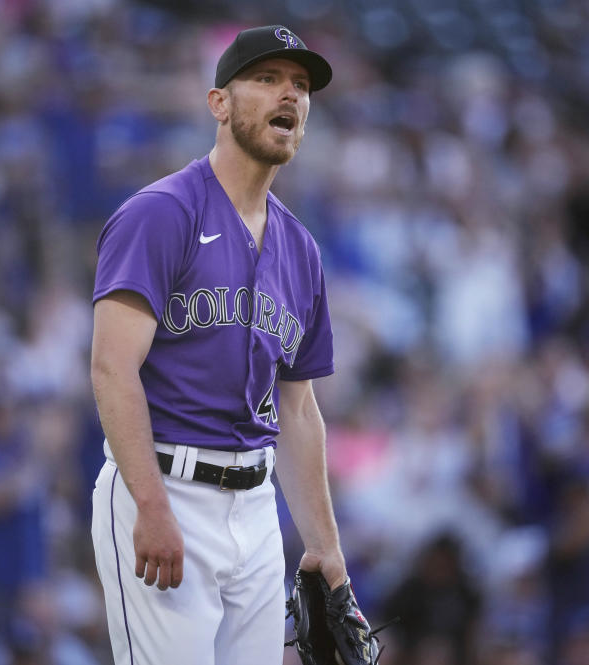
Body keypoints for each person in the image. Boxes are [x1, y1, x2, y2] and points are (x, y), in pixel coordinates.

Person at [89, 24, 342, 665]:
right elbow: (112, 368)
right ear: (218, 103)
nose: (289, 94)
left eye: (301, 85)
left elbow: (299, 411)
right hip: (164, 485)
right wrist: (150, 505)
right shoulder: (161, 213)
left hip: (256, 511)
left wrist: (327, 550)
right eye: (266, 78)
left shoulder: (302, 251)